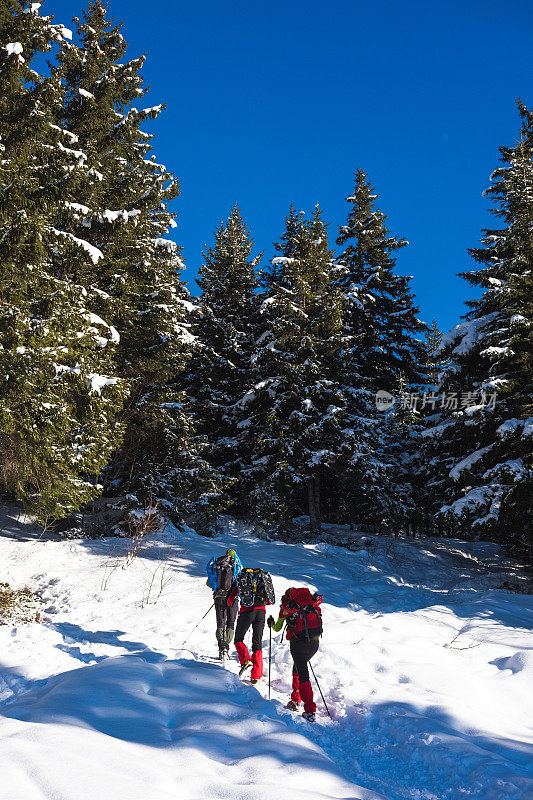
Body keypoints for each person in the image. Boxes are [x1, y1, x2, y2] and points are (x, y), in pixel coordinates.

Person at [267, 587, 323, 722]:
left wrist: (271, 624)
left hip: (298, 644)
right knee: (297, 669)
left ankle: (310, 711)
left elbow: (277, 628)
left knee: (303, 675)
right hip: (314, 643)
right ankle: (295, 700)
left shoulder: (287, 608)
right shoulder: (312, 605)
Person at [227, 568, 274, 684]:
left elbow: (230, 598)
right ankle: (256, 676)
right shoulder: (263, 578)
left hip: (246, 612)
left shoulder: (242, 578)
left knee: (238, 638)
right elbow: (268, 600)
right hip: (261, 612)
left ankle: (246, 660)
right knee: (257, 643)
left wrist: (228, 605)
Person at [206, 548, 243, 659]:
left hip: (219, 597)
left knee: (220, 622)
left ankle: (221, 648)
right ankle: (226, 647)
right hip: (233, 598)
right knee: (231, 622)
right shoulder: (237, 566)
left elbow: (209, 583)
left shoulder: (218, 565)